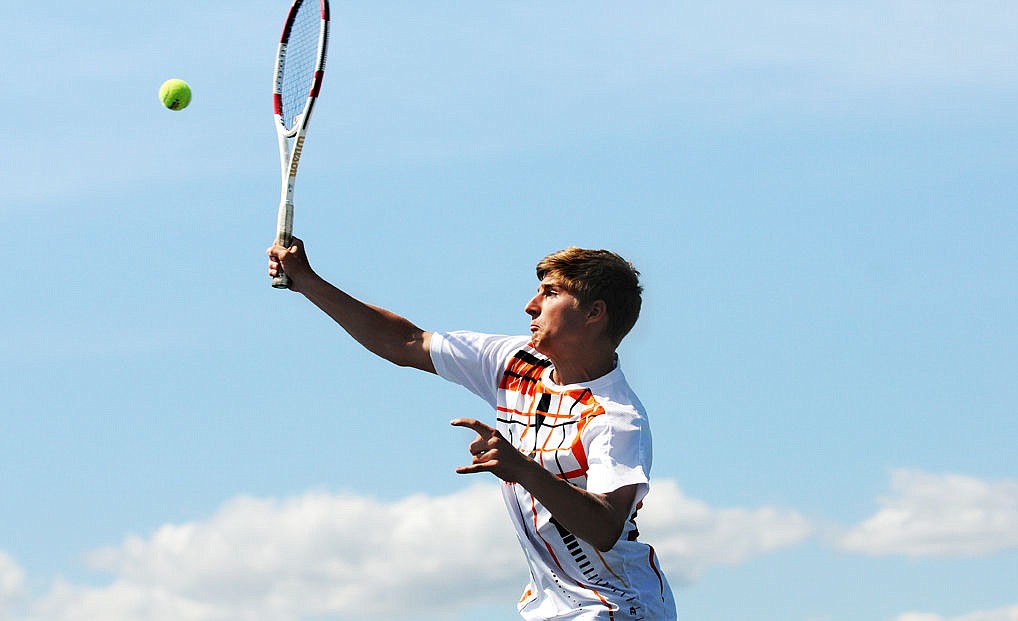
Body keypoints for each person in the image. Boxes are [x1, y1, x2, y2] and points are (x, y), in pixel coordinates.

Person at [267, 239, 677, 621]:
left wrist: (524, 470)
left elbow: (605, 528)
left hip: (619, 607)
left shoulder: (615, 417)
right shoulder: (514, 361)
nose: (530, 305)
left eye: (551, 293)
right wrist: (308, 282)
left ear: (594, 313)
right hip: (551, 607)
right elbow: (406, 342)